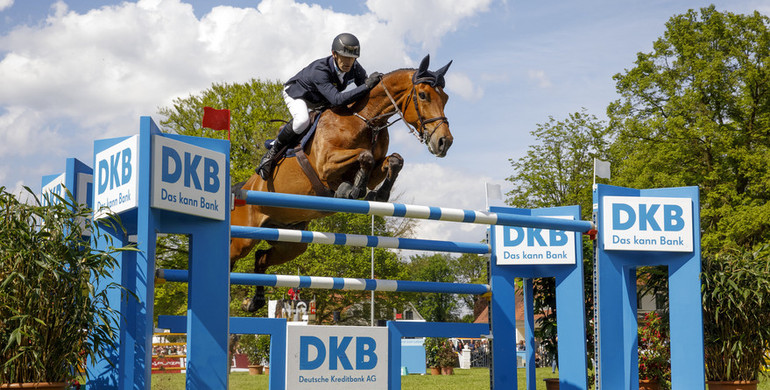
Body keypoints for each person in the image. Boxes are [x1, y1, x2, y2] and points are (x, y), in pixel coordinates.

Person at [257, 32, 382, 180]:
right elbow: (337, 99)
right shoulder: (320, 70)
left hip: (322, 98)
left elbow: (365, 92)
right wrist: (366, 86)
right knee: (302, 121)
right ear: (334, 54)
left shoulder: (355, 68)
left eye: (352, 58)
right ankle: (272, 153)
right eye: (344, 57)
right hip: (298, 93)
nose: (348, 62)